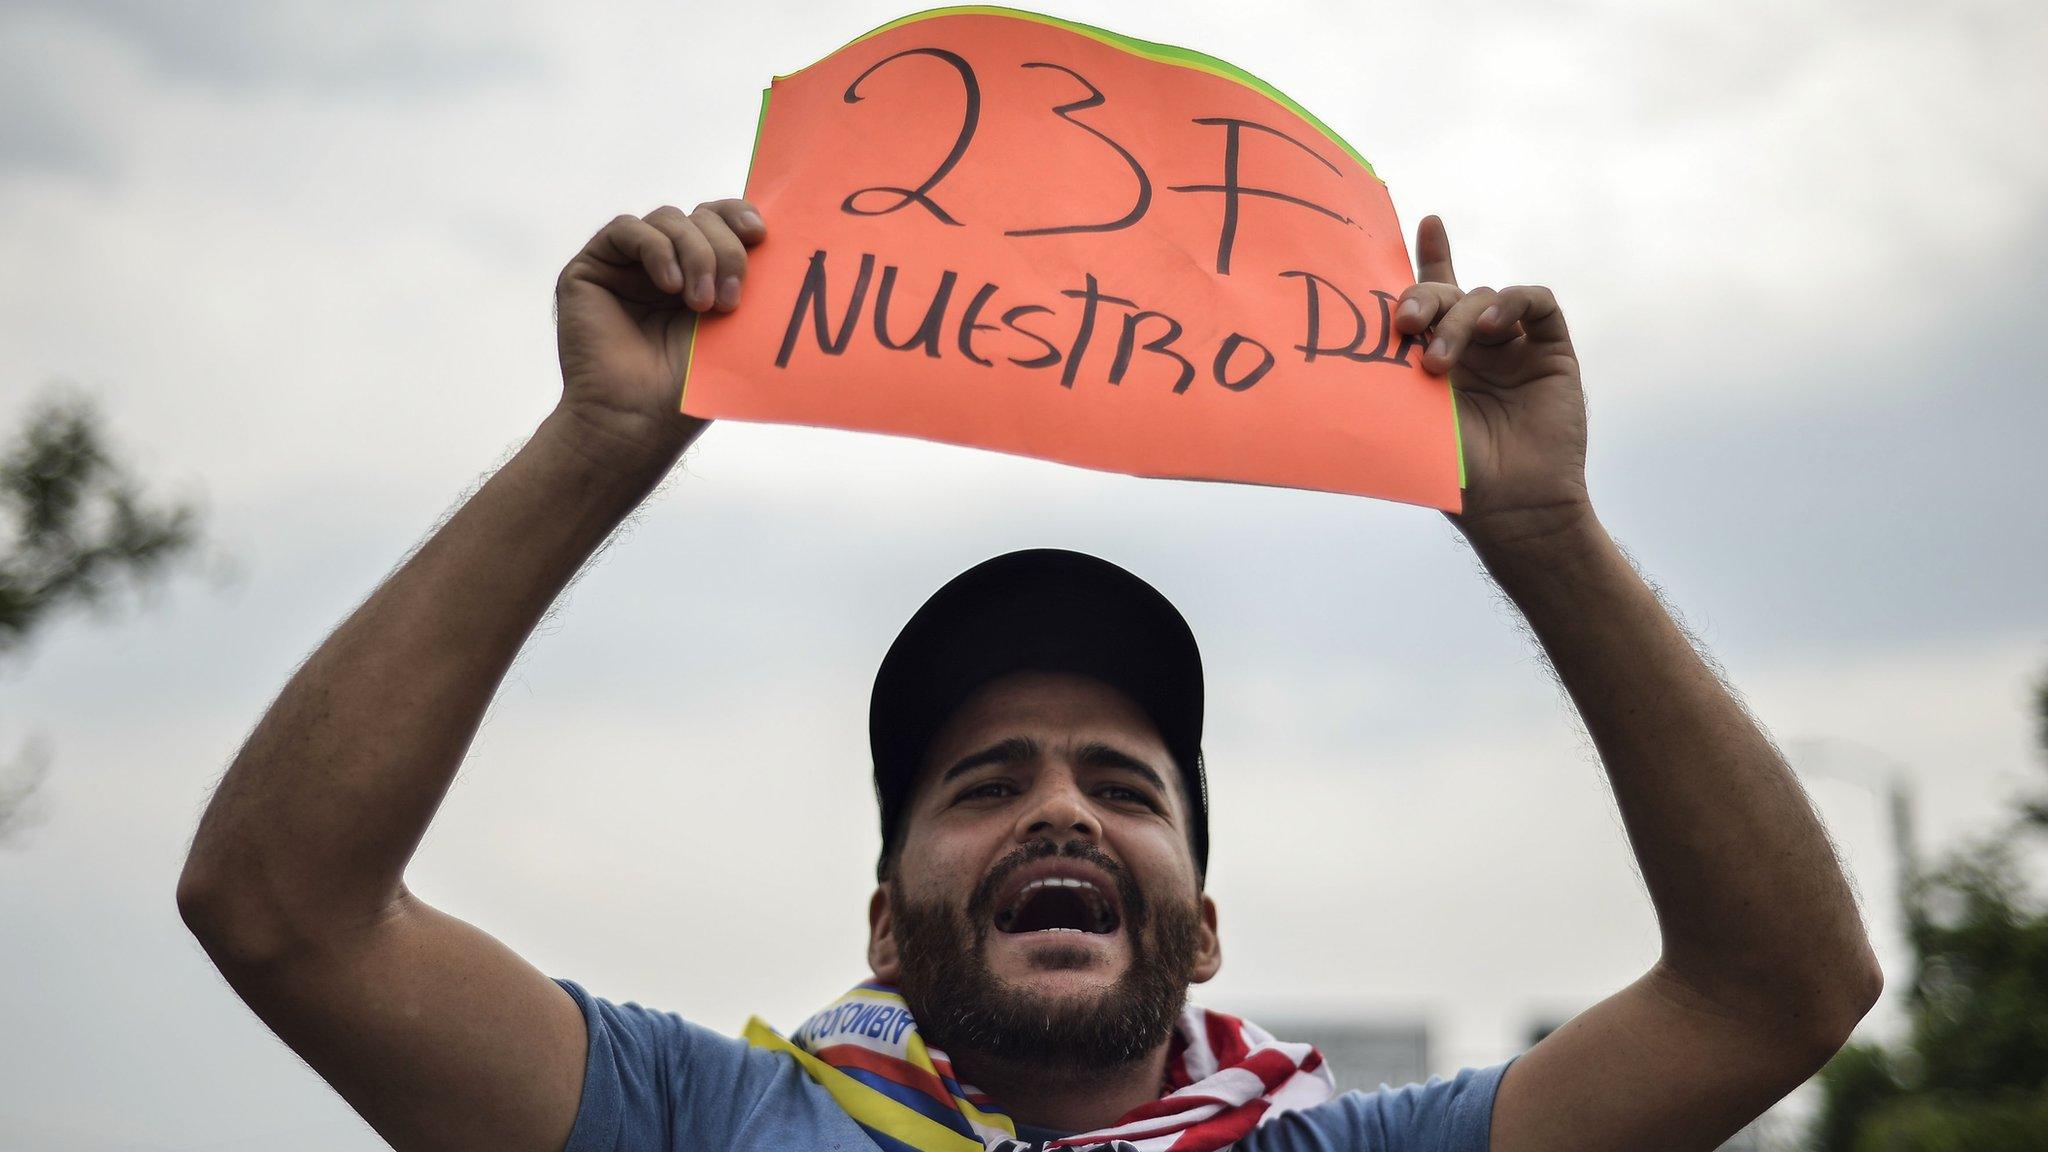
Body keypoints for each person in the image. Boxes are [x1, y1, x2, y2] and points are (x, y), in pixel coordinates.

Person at [177, 197, 1883, 1152]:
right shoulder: (692, 1118)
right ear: (881, 920)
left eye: (1121, 784)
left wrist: (1547, 529)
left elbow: (1781, 993)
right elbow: (284, 911)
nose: (1057, 801)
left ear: (1200, 926)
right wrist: (603, 439)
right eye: (983, 782)